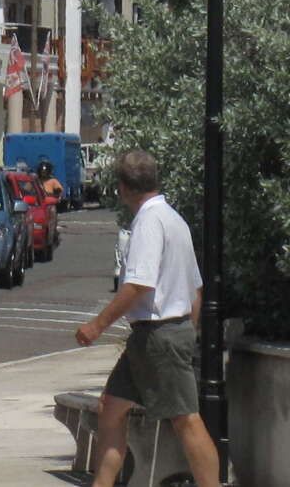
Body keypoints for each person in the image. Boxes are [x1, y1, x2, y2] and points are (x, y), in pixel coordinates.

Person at [74, 149, 221, 487]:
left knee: (186, 419)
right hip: (158, 335)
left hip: (158, 335)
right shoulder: (174, 220)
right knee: (111, 407)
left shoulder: (149, 222)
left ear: (123, 187)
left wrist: (96, 326)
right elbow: (196, 289)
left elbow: (139, 284)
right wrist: (188, 333)